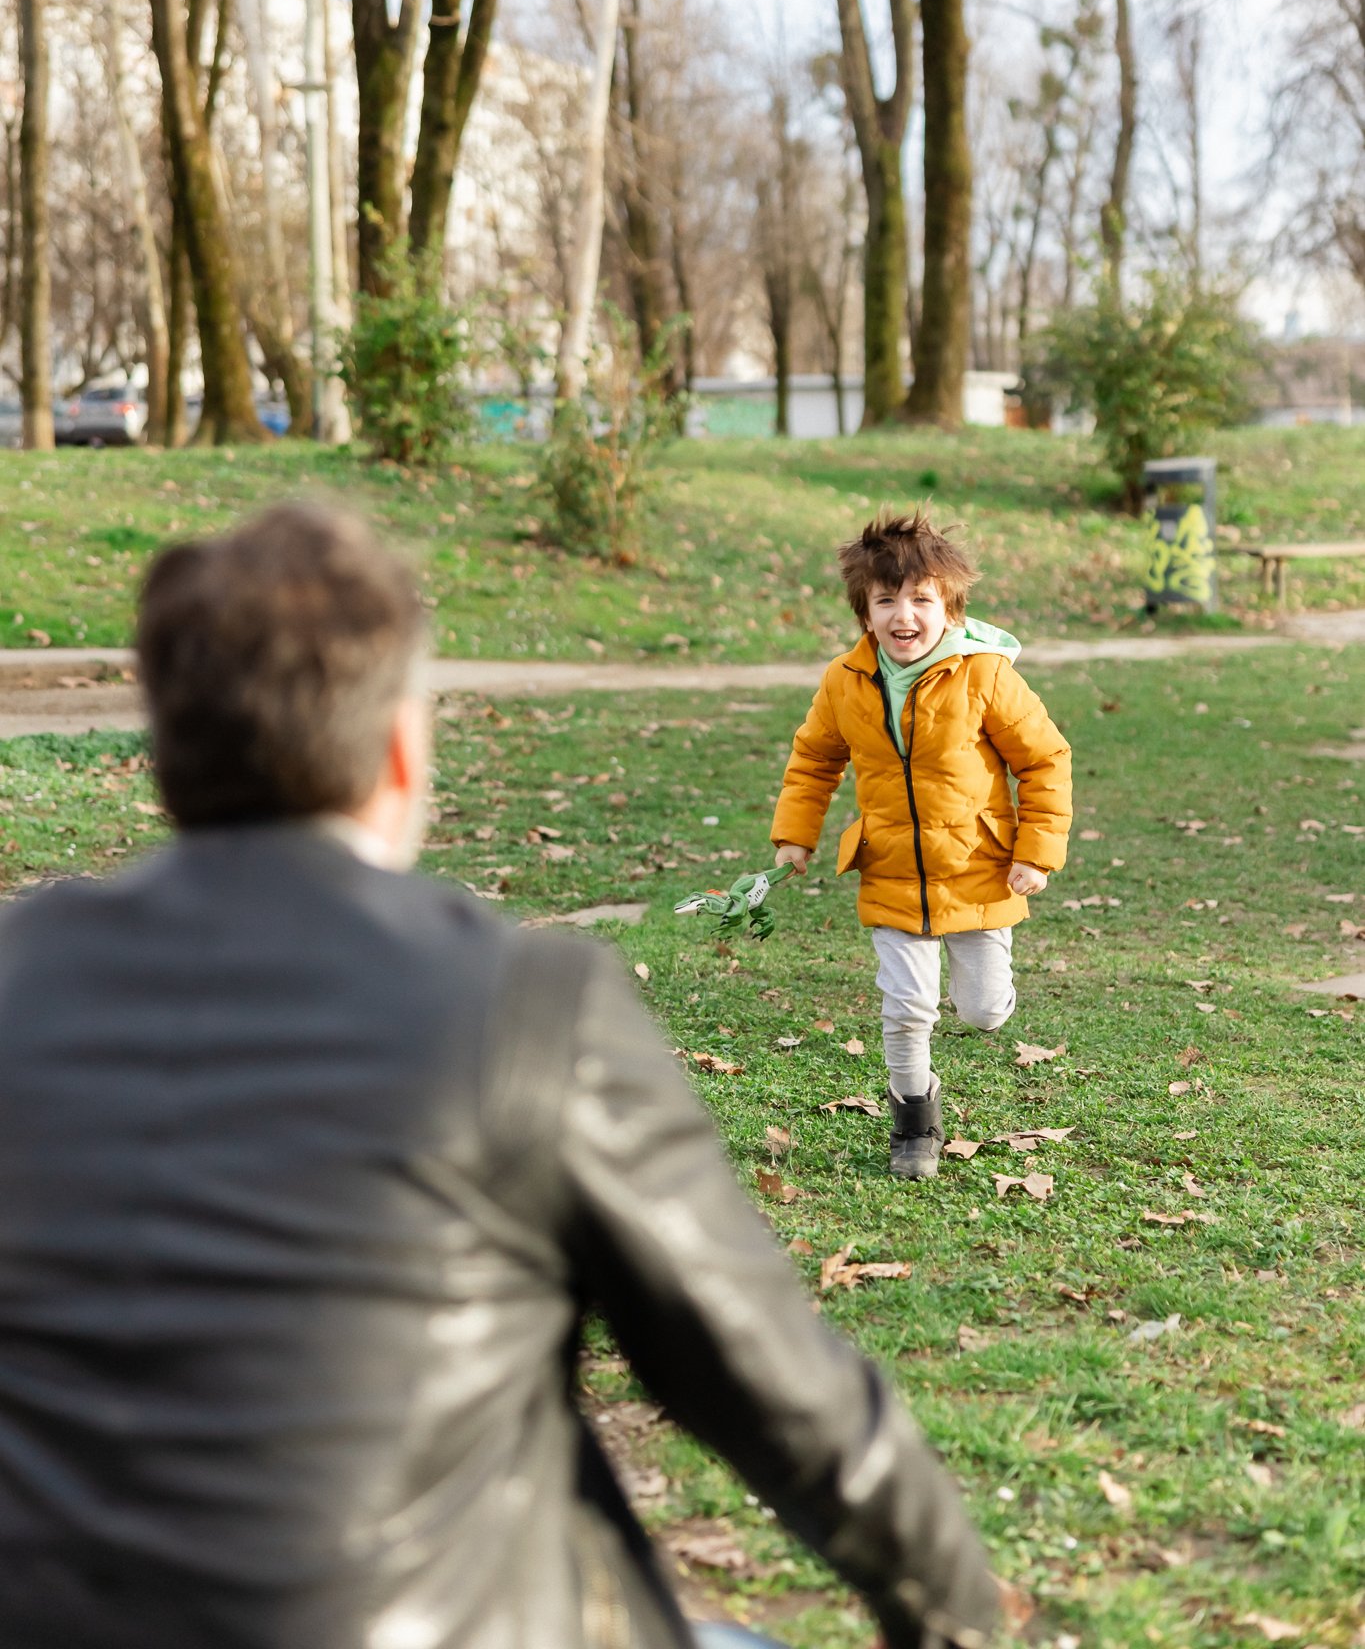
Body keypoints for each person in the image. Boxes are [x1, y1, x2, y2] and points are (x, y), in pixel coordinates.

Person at [0, 502, 1000, 1649]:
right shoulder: (529, 1005)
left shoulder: (17, 974)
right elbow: (779, 1390)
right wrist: (947, 1616)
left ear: (165, 760)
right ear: (398, 750)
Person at [771, 509, 1072, 1181]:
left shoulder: (985, 676)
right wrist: (795, 835)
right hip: (890, 869)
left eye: (920, 600)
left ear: (950, 608)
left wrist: (1034, 850)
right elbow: (814, 759)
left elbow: (1044, 760)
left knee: (983, 1011)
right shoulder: (843, 682)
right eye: (885, 602)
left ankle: (976, 1011)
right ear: (864, 613)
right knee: (906, 1009)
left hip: (978, 868)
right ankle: (913, 1121)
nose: (903, 615)